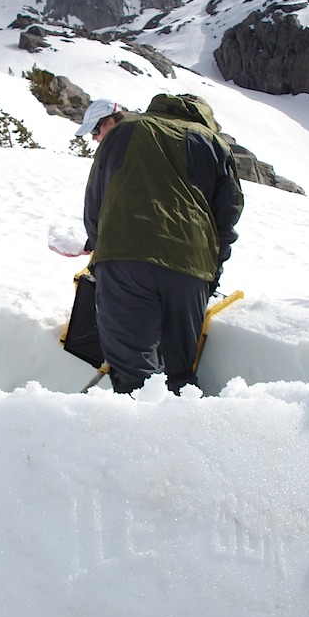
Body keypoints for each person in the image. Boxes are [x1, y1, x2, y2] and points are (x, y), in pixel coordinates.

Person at [75, 94, 243, 395]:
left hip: (124, 257)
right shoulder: (213, 142)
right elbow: (227, 215)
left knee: (132, 373)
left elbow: (95, 204)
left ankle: (132, 429)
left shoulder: (124, 131)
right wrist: (212, 271)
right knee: (180, 372)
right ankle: (182, 429)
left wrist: (102, 257)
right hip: (191, 265)